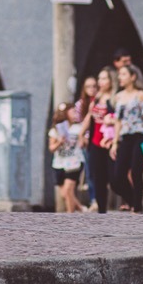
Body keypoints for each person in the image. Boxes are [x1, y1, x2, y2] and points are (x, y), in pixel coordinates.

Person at [111, 63, 143, 213]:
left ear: (133, 77)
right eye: (120, 74)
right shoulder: (118, 97)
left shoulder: (141, 95)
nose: (120, 77)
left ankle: (137, 208)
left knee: (136, 172)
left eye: (124, 74)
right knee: (117, 178)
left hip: (141, 137)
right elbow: (118, 121)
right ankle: (133, 201)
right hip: (125, 137)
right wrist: (114, 142)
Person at [78, 67, 116, 214]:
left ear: (111, 80)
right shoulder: (98, 97)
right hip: (95, 143)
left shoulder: (114, 97)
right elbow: (89, 116)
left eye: (104, 78)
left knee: (113, 177)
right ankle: (102, 210)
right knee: (97, 177)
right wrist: (82, 134)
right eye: (99, 78)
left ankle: (131, 203)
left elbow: (119, 119)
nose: (100, 82)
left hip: (110, 143)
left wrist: (111, 120)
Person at [48, 103, 85, 213]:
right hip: (59, 163)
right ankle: (81, 209)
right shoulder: (55, 130)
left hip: (74, 161)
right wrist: (60, 142)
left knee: (68, 190)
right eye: (72, 111)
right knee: (64, 193)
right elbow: (51, 148)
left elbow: (84, 143)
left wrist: (83, 138)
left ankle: (70, 216)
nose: (75, 114)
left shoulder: (78, 128)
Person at [74, 75, 98, 210]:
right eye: (89, 86)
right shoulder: (80, 104)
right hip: (87, 141)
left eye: (94, 86)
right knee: (89, 171)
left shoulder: (101, 101)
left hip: (100, 140)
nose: (92, 89)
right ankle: (94, 199)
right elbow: (79, 124)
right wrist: (82, 138)